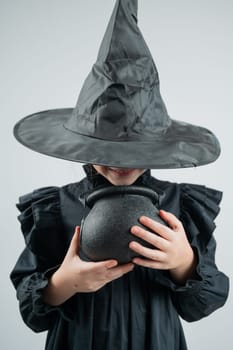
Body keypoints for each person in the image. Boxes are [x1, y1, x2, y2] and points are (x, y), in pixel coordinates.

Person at [10, 1, 229, 349]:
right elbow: (31, 313)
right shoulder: (54, 208)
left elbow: (202, 305)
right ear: (83, 145)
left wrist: (184, 262)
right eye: (107, 150)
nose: (120, 162)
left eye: (134, 150)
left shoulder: (181, 206)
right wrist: (63, 283)